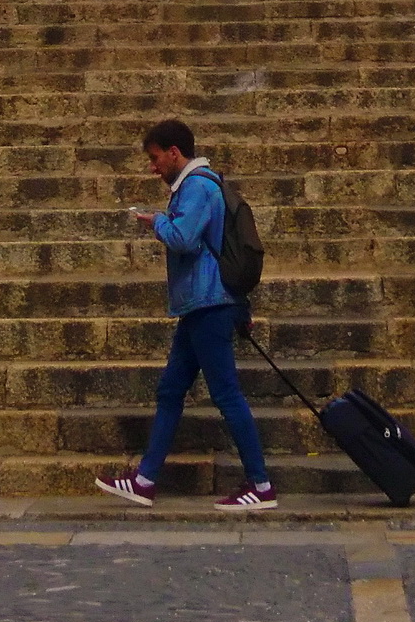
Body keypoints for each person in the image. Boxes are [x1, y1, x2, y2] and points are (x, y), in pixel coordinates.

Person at [94, 116, 278, 511]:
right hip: (202, 305)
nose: (153, 166)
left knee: (226, 394)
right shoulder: (203, 184)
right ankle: (144, 480)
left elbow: (184, 238)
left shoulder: (196, 186)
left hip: (208, 305)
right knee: (171, 390)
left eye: (156, 157)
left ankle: (261, 485)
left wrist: (156, 220)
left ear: (175, 153)